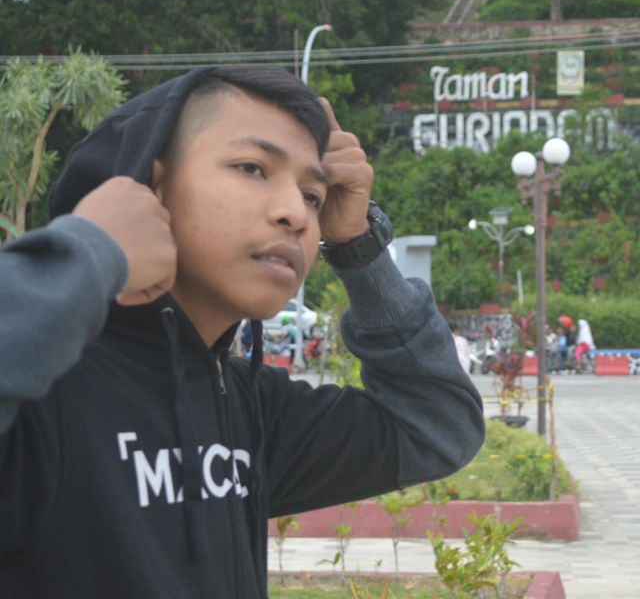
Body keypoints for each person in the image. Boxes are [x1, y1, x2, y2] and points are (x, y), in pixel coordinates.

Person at [0, 66, 484, 598]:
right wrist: (94, 251)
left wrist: (358, 245)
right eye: (252, 168)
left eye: (313, 196)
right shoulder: (46, 404)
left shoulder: (249, 408)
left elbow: (435, 424)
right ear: (149, 188)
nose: (295, 214)